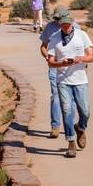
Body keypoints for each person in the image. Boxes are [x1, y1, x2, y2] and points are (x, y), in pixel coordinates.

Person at [45, 10, 93, 158]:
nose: (65, 27)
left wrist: (82, 59)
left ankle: (80, 128)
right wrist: (61, 63)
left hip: (80, 80)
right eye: (63, 24)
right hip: (63, 81)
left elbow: (91, 57)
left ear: (72, 23)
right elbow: (50, 61)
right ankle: (71, 142)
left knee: (85, 111)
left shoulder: (82, 35)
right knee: (67, 111)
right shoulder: (54, 38)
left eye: (67, 24)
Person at [39, 7, 69, 139]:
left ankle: (69, 125)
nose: (56, 21)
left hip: (71, 68)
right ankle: (55, 126)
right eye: (55, 18)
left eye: (58, 18)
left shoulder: (76, 28)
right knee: (56, 95)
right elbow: (43, 46)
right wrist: (48, 57)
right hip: (54, 66)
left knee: (70, 98)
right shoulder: (50, 27)